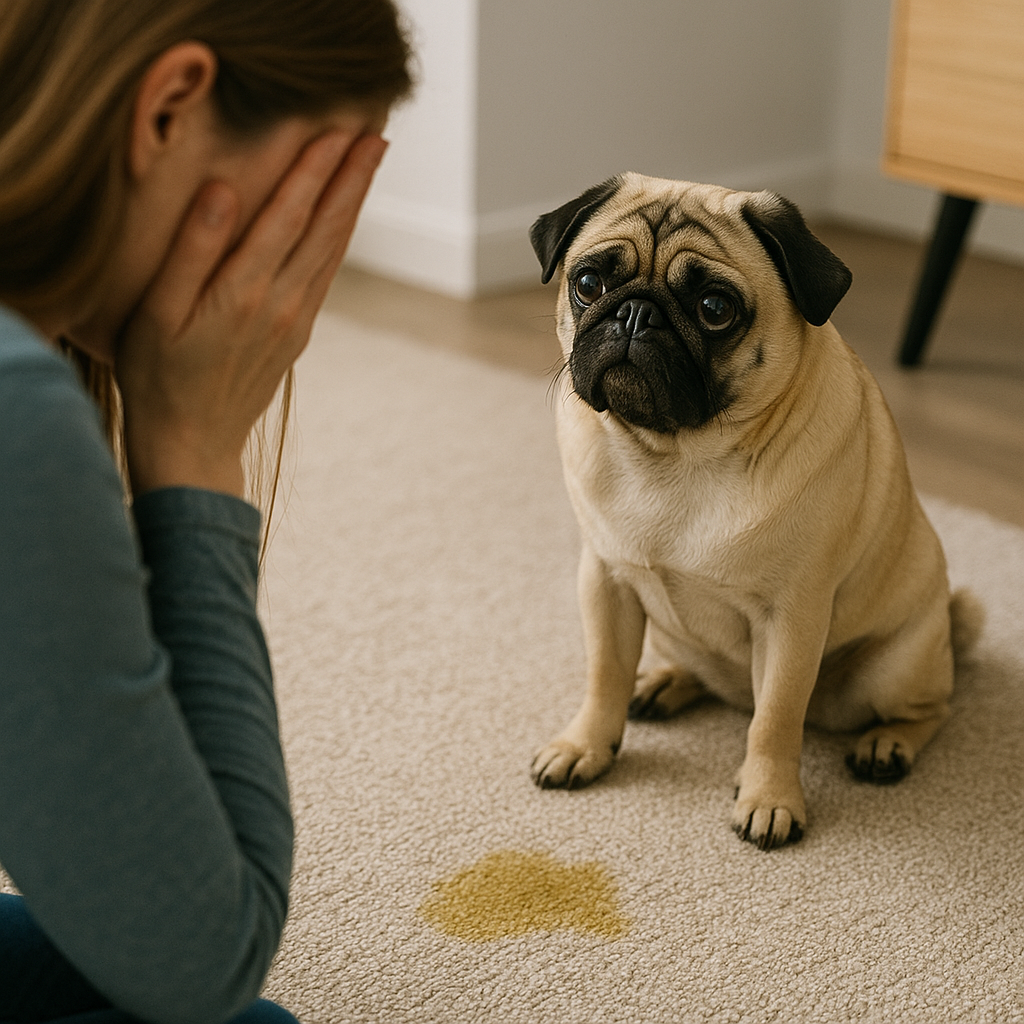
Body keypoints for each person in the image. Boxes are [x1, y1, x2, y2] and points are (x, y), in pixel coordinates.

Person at [0, 2, 412, 1022]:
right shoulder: (17, 410)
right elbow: (205, 955)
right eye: (312, 190)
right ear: (169, 109)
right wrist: (193, 449)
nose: (304, 267)